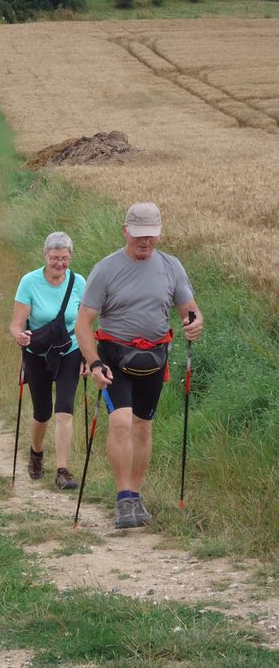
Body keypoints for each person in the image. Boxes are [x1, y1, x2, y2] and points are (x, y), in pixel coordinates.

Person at [75, 202, 203, 528]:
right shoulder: (105, 269)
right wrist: (94, 363)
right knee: (121, 422)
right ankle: (123, 499)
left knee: (143, 427)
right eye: (138, 236)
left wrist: (193, 323)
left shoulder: (171, 266)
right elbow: (83, 323)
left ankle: (136, 494)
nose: (145, 243)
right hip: (113, 358)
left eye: (151, 236)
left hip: (154, 360)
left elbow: (190, 309)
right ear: (125, 231)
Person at [10, 232, 88, 490]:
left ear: (70, 257)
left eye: (64, 258)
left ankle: (63, 471)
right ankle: (36, 453)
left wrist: (89, 356)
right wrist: (19, 336)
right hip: (37, 353)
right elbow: (16, 324)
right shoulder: (29, 282)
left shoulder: (79, 283)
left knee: (65, 409)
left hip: (70, 350)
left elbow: (85, 323)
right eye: (55, 258)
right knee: (42, 412)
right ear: (45, 256)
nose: (60, 264)